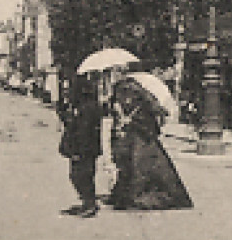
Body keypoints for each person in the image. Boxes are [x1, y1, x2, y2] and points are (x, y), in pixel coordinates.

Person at [107, 78, 193, 211]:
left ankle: (135, 196)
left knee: (140, 168)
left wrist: (130, 122)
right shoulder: (134, 102)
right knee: (130, 166)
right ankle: (124, 195)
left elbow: (150, 124)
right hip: (135, 140)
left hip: (143, 141)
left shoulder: (143, 106)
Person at [58, 79, 103, 218]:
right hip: (84, 148)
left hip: (84, 149)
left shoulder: (86, 108)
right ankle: (87, 202)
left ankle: (90, 204)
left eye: (68, 90)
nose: (66, 93)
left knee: (81, 175)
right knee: (79, 175)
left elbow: (83, 131)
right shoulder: (82, 106)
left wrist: (78, 151)